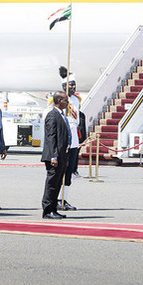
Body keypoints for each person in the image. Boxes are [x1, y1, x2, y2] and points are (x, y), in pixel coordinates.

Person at [59, 74, 86, 211]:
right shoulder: (58, 100)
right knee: (60, 171)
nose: (73, 86)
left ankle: (63, 198)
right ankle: (55, 198)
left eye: (74, 84)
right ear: (64, 86)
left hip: (74, 139)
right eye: (71, 84)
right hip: (63, 138)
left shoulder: (76, 99)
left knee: (69, 171)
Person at [41, 91, 70, 219]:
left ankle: (53, 208)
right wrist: (53, 155)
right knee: (52, 183)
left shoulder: (62, 115)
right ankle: (47, 210)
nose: (67, 103)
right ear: (59, 101)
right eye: (65, 100)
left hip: (62, 154)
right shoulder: (52, 115)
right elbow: (51, 137)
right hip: (54, 155)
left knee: (58, 183)